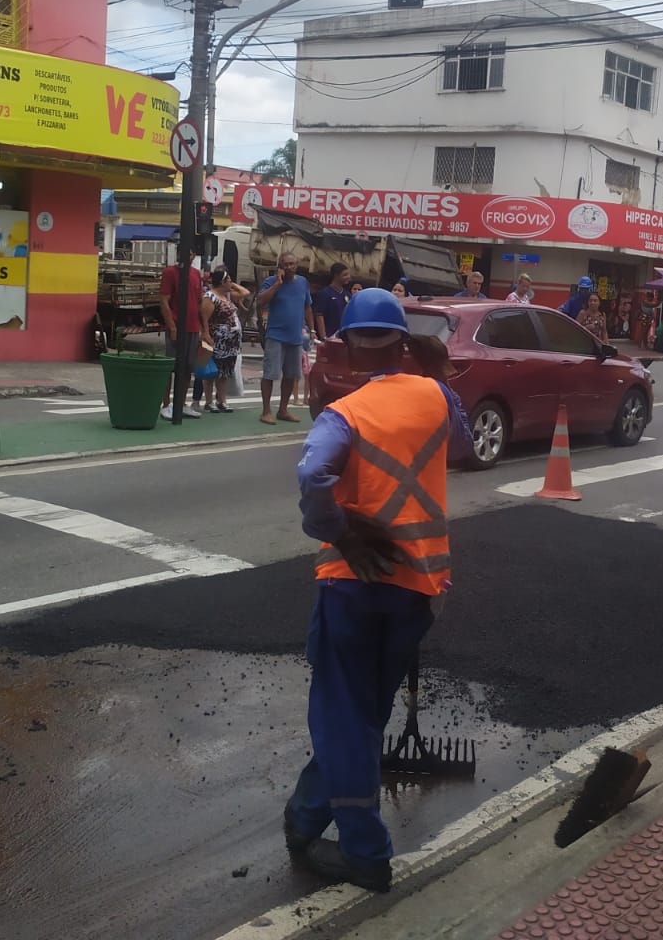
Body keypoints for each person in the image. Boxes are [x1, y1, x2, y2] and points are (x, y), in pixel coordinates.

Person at [285, 288, 473, 892]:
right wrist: (440, 376)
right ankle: (306, 817)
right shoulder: (437, 394)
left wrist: (338, 529)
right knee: (363, 713)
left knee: (343, 717)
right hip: (417, 589)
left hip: (354, 586)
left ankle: (366, 853)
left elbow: (313, 473)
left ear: (346, 343)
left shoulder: (346, 412)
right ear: (401, 341)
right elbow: (466, 447)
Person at [255, 252, 312, 425]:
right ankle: (266, 411)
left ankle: (283, 409)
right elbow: (260, 301)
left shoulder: (302, 282)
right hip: (276, 335)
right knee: (270, 374)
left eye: (291, 264)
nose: (289, 267)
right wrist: (277, 284)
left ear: (297, 265)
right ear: (280, 266)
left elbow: (307, 306)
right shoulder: (271, 282)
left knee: (291, 375)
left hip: (295, 337)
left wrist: (313, 328)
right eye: (285, 264)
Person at [158, 260, 205, 420]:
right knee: (170, 367)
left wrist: (202, 329)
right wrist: (172, 326)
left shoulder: (195, 273)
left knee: (188, 368)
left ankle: (182, 404)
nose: (189, 255)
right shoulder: (170, 272)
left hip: (192, 327)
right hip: (177, 326)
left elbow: (199, 303)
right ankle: (165, 405)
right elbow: (164, 300)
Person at [200, 265, 248, 413]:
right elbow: (204, 318)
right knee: (211, 372)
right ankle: (208, 401)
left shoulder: (227, 296)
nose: (231, 283)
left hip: (230, 342)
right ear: (222, 282)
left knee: (225, 372)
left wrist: (231, 283)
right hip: (216, 340)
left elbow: (245, 292)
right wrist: (206, 335)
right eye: (228, 280)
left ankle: (222, 400)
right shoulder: (210, 297)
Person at [313, 262, 352, 343]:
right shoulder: (325, 293)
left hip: (343, 337)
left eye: (348, 274)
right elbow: (319, 315)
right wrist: (323, 336)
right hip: (330, 336)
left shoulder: (347, 295)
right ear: (336, 276)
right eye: (345, 275)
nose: (348, 277)